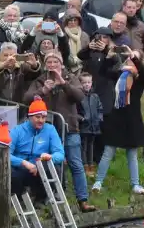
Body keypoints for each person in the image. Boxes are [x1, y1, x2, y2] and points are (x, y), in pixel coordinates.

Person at [24, 51, 95, 212]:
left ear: (61, 63)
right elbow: (26, 98)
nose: (52, 65)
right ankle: (50, 198)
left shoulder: (70, 78)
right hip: (47, 130)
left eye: (55, 62)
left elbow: (79, 96)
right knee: (49, 164)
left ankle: (82, 200)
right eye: (49, 62)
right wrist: (42, 91)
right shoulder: (41, 79)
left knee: (76, 164)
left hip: (69, 127)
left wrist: (63, 83)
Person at [91, 48, 144, 194]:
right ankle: (98, 183)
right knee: (108, 151)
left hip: (132, 120)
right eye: (129, 58)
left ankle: (135, 184)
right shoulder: (120, 75)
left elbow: (143, 72)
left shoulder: (140, 79)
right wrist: (108, 57)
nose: (130, 59)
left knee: (132, 154)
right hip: (117, 117)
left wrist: (133, 57)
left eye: (134, 58)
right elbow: (103, 72)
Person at [8, 98, 65, 202]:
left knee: (53, 168)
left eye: (43, 117)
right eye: (37, 117)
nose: (41, 120)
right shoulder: (17, 130)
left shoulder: (50, 129)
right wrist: (24, 163)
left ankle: (41, 200)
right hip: (21, 168)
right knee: (11, 172)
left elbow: (60, 154)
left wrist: (50, 157)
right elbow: (6, 155)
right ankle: (18, 199)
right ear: (29, 117)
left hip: (39, 167)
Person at [77, 72, 102, 175]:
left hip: (94, 126)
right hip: (84, 126)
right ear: (80, 84)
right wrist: (81, 119)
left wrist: (99, 118)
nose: (86, 84)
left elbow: (99, 108)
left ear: (91, 83)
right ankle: (84, 165)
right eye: (84, 82)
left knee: (91, 145)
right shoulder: (79, 97)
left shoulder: (95, 96)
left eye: (88, 82)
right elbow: (75, 111)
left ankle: (91, 165)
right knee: (83, 146)